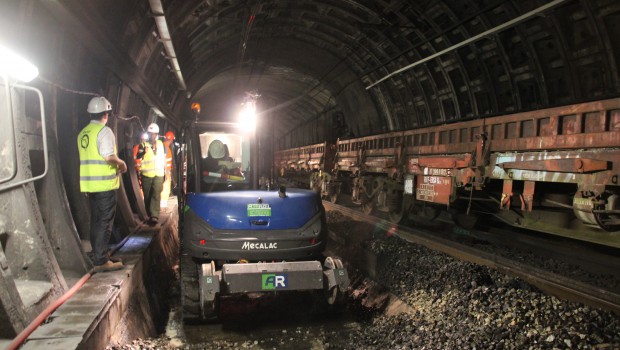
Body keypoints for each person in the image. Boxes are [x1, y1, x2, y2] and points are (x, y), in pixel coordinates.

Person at [78, 96, 127, 272]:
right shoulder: (104, 132)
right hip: (105, 186)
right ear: (106, 114)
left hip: (90, 186)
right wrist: (121, 163)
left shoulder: (83, 133)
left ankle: (100, 253)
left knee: (96, 221)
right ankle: (101, 260)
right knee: (105, 223)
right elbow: (108, 156)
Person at [136, 123, 167, 225]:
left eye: (154, 134)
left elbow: (164, 158)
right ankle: (150, 214)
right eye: (150, 134)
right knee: (148, 195)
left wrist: (165, 171)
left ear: (157, 134)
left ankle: (154, 216)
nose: (152, 136)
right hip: (147, 175)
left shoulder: (161, 145)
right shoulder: (143, 145)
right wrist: (143, 152)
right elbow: (138, 156)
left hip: (158, 174)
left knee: (156, 194)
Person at [160, 131, 175, 207]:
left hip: (165, 170)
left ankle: (162, 204)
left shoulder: (164, 146)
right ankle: (163, 205)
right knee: (165, 188)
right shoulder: (165, 147)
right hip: (165, 171)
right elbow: (164, 159)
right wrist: (166, 171)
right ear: (171, 140)